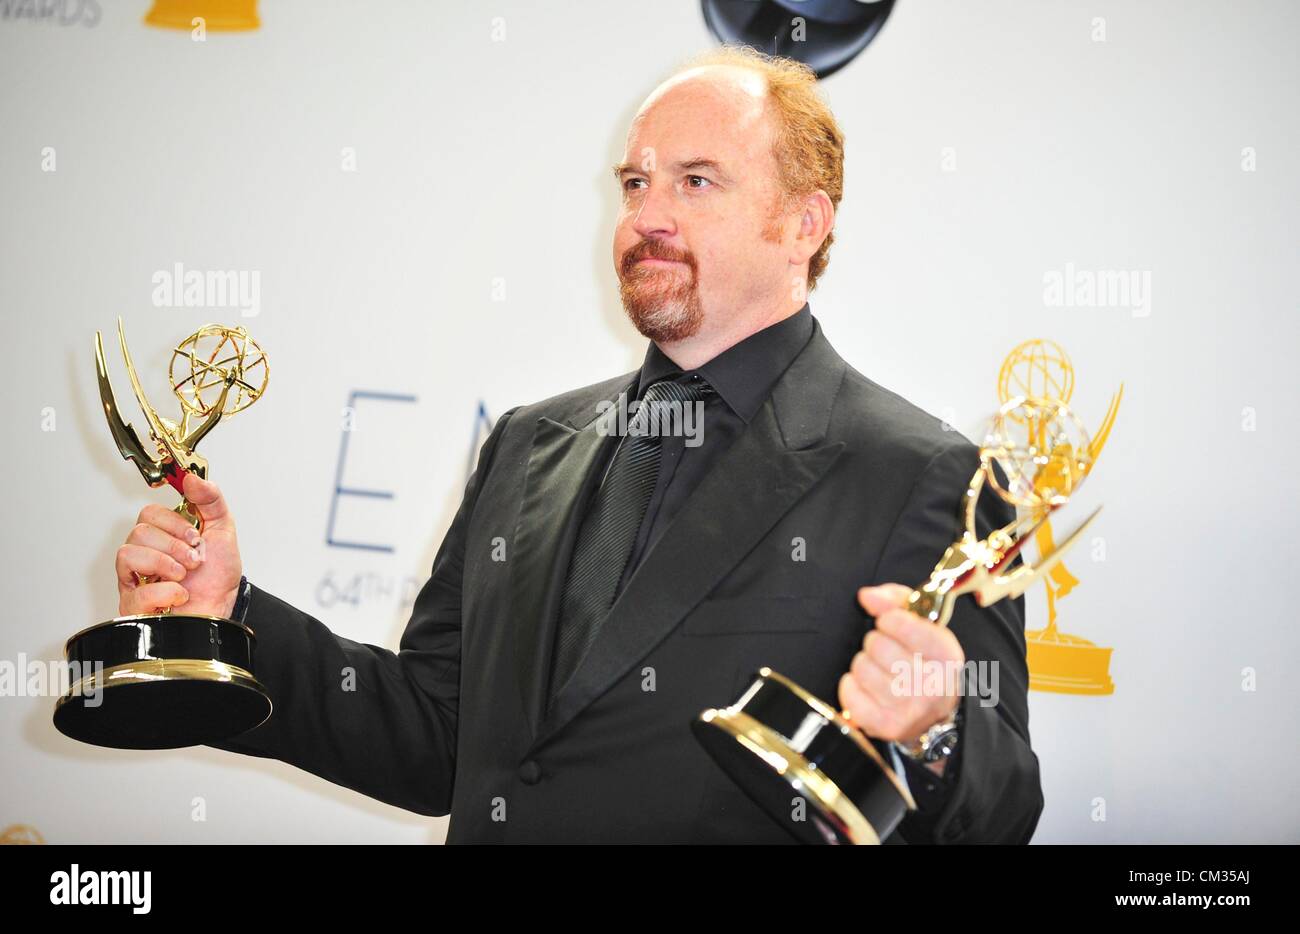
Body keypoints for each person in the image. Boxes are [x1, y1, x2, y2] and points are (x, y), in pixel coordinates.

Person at [114, 45, 1043, 844]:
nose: (648, 216)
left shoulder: (931, 477)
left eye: (696, 181)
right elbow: (441, 737)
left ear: (806, 222)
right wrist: (228, 616)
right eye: (636, 184)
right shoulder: (528, 445)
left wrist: (936, 729)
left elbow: (1005, 814)